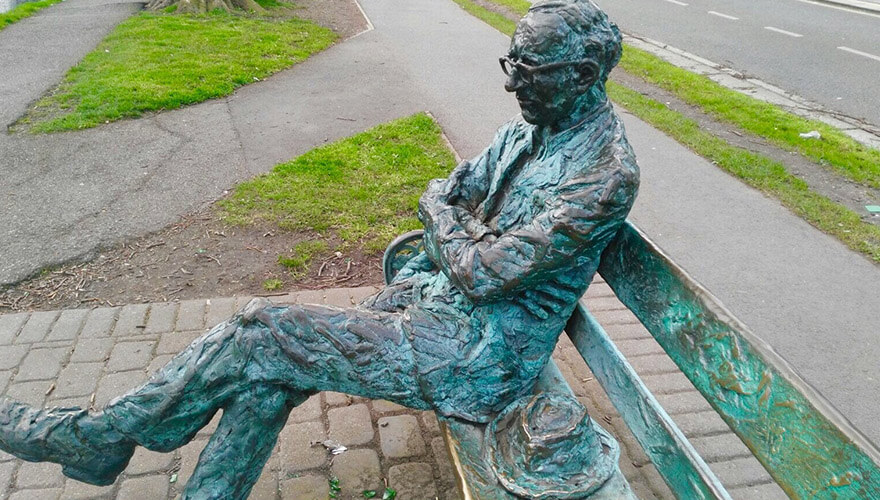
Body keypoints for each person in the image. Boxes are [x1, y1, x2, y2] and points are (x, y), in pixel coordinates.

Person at [0, 1, 639, 498]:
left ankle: (100, 437)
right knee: (269, 366)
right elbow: (444, 193)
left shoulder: (603, 174)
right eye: (510, 64)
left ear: (581, 74)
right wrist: (453, 226)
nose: (510, 85)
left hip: (476, 360)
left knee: (262, 329)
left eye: (525, 71)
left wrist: (450, 228)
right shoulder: (524, 132)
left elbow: (479, 272)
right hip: (425, 305)